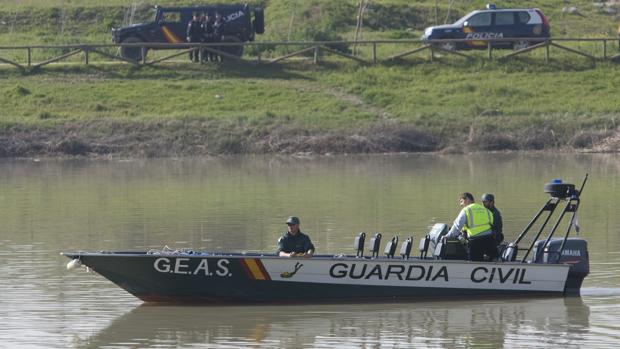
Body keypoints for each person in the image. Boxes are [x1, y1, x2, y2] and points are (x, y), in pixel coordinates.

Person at [446, 192, 497, 261]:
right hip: (490, 241)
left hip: (476, 242)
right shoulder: (486, 210)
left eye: (461, 201)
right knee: (492, 261)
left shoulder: (466, 210)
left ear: (467, 199)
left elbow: (457, 227)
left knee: (474, 263)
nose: (461, 205)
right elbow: (491, 226)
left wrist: (447, 236)